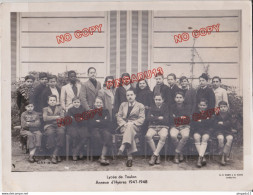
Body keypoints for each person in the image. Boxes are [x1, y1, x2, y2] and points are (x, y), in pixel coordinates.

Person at [116, 89, 145, 167]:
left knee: (130, 128)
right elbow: (119, 116)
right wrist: (124, 123)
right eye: (128, 95)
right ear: (126, 96)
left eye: (131, 95)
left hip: (135, 126)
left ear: (135, 95)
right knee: (129, 130)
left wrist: (132, 123)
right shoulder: (123, 105)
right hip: (124, 126)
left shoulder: (140, 105)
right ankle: (129, 158)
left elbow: (142, 118)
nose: (130, 97)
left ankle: (123, 146)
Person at [145, 94, 169, 165]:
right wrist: (159, 117)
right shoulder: (152, 107)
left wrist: (154, 117)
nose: (157, 101)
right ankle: (157, 155)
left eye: (159, 99)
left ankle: (154, 155)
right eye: (156, 99)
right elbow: (148, 118)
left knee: (163, 136)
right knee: (148, 136)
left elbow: (166, 120)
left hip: (163, 126)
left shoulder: (166, 107)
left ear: (163, 100)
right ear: (154, 99)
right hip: (153, 126)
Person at [191, 98, 214, 168]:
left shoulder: (209, 113)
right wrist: (204, 121)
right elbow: (193, 123)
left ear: (206, 106)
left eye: (204, 105)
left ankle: (199, 158)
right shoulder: (195, 113)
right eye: (201, 105)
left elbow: (210, 123)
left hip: (206, 130)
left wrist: (200, 121)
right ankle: (202, 157)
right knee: (196, 137)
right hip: (197, 129)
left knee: (205, 138)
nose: (202, 106)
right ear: (198, 105)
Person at [89, 97, 112, 165]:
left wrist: (98, 121)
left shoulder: (106, 111)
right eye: (97, 102)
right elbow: (91, 123)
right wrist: (102, 121)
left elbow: (108, 121)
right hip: (94, 129)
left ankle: (102, 156)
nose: (98, 104)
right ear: (94, 103)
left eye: (100, 103)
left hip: (104, 129)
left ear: (102, 104)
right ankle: (98, 155)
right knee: (97, 136)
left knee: (107, 135)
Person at [170, 91, 191, 164]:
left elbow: (188, 119)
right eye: (177, 97)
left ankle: (176, 154)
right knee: (173, 135)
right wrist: (181, 117)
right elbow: (170, 119)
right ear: (174, 98)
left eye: (180, 97)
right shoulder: (172, 107)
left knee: (185, 136)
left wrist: (176, 117)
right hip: (174, 126)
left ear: (183, 99)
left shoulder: (187, 107)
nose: (178, 99)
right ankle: (181, 153)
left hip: (185, 126)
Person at [43, 95, 65, 164]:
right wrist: (56, 117)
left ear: (56, 101)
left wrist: (52, 118)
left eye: (54, 100)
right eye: (51, 100)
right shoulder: (45, 109)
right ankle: (55, 154)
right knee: (50, 133)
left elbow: (62, 118)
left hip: (59, 125)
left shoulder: (60, 108)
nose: (52, 102)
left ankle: (55, 154)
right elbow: (45, 118)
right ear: (48, 102)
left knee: (61, 133)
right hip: (49, 125)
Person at [214, 101, 236, 166]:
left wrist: (222, 123)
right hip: (219, 131)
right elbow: (214, 124)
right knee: (221, 139)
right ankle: (221, 155)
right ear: (219, 108)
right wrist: (226, 123)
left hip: (227, 131)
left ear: (227, 107)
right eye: (221, 107)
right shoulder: (216, 114)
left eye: (224, 107)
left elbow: (231, 123)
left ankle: (224, 154)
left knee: (230, 139)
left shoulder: (230, 114)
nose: (223, 108)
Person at [66, 97, 89, 161]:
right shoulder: (70, 110)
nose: (76, 104)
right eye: (75, 102)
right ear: (72, 103)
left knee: (85, 135)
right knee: (75, 134)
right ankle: (77, 151)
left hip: (82, 126)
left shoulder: (83, 109)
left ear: (80, 103)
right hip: (72, 127)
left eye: (78, 102)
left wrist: (76, 119)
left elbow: (85, 120)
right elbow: (69, 120)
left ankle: (76, 150)